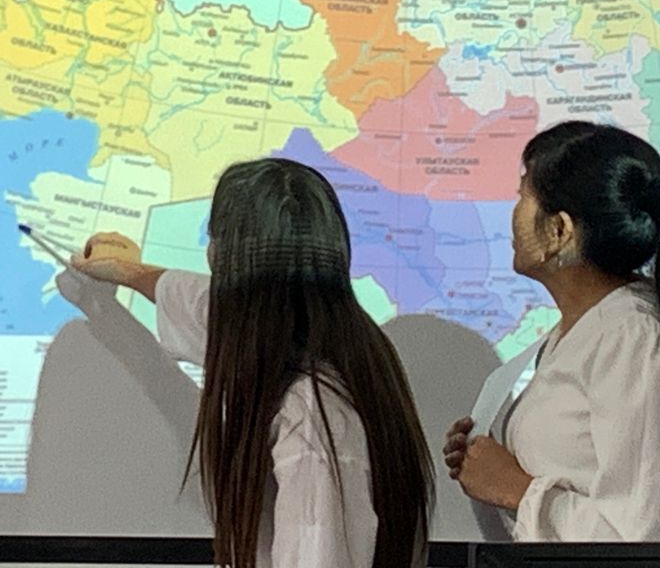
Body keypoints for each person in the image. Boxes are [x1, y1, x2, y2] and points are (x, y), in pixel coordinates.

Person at [69, 157, 433, 568]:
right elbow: (202, 304)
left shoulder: (310, 413)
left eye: (215, 240)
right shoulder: (335, 341)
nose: (209, 254)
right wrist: (129, 273)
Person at [442, 121, 660, 541]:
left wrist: (515, 489)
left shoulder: (632, 335)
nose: (513, 213)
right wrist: (487, 465)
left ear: (559, 230)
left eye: (522, 196)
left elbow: (645, 533)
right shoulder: (590, 328)